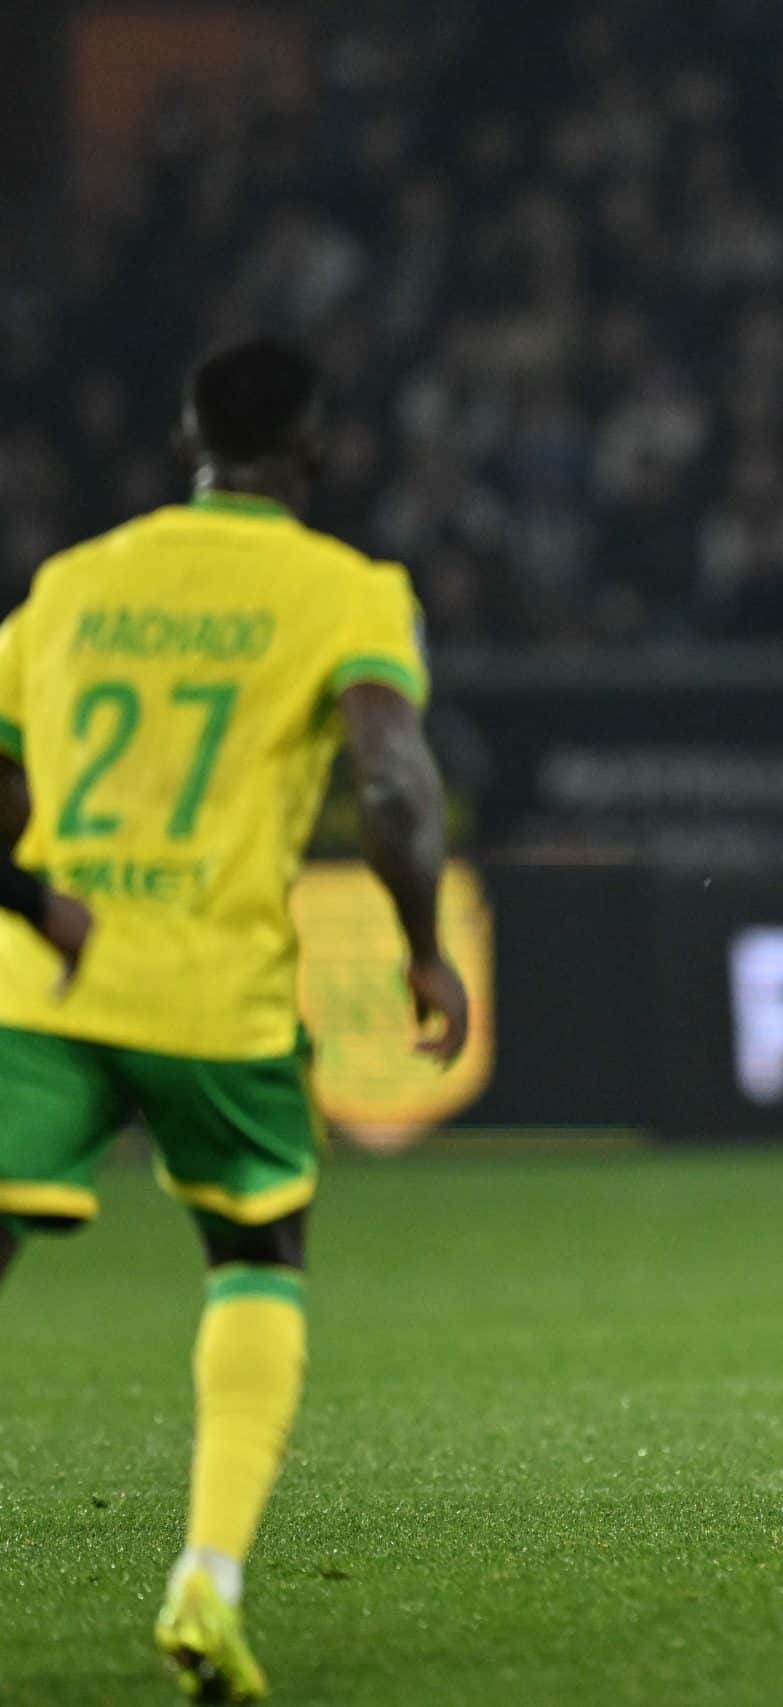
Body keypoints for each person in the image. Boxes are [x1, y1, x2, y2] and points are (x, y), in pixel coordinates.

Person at [0, 336, 469, 1699]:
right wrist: (423, 947)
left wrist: (37, 901)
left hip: (47, 987)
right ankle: (207, 1572)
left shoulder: (75, 583)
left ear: (181, 433)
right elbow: (390, 774)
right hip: (220, 989)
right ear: (316, 447)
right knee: (255, 1246)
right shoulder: (345, 590)